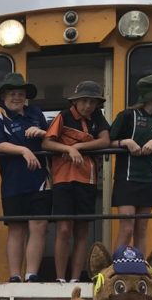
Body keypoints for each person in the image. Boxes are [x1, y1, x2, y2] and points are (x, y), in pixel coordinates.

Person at [42, 80, 111, 282]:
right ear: (75, 101)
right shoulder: (63, 116)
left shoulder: (98, 117)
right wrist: (68, 149)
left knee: (82, 230)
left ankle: (74, 278)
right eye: (84, 101)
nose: (88, 105)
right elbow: (46, 142)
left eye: (92, 101)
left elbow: (105, 140)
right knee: (64, 229)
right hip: (63, 178)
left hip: (88, 179)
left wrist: (78, 147)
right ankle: (60, 278)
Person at [0, 73, 50, 282]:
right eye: (13, 93)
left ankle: (31, 274)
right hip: (13, 182)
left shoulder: (35, 112)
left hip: (39, 180)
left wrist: (41, 132)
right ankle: (15, 275)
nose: (17, 97)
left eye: (21, 93)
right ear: (4, 96)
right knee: (16, 228)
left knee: (39, 226)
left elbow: (50, 137)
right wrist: (24, 150)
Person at [109, 72, 152, 253]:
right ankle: (117, 270)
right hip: (127, 178)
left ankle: (140, 272)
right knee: (127, 227)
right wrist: (126, 142)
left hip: (149, 178)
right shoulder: (127, 116)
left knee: (142, 228)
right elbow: (108, 141)